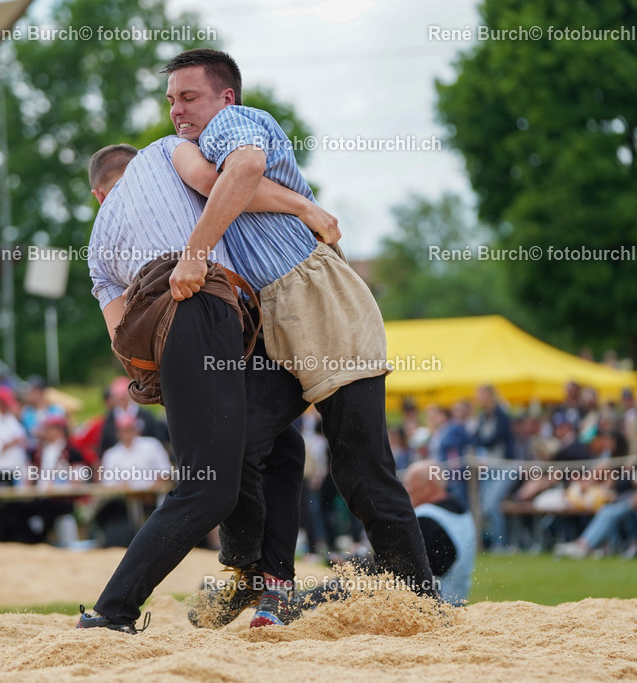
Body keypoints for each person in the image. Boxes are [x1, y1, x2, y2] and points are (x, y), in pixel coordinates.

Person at [160, 48, 437, 620]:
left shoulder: (237, 123)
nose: (178, 109)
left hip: (322, 302)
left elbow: (241, 173)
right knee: (236, 441)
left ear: (224, 97)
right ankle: (259, 579)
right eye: (171, 100)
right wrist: (305, 206)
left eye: (189, 97)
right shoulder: (199, 146)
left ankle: (421, 603)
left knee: (361, 472)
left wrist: (195, 253)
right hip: (275, 316)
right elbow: (225, 182)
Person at [78, 133, 320, 633]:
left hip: (176, 338)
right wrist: (304, 208)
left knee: (280, 446)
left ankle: (270, 585)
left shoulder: (98, 243)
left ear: (98, 194)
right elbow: (218, 183)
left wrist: (176, 378)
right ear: (135, 165)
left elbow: (124, 343)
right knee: (207, 489)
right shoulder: (165, 153)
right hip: (212, 306)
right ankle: (112, 612)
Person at [402, 461, 476, 606]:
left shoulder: (424, 519)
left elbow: (405, 569)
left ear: (428, 487)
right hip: (458, 599)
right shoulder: (463, 512)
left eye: (409, 484)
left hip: (433, 606)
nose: (406, 490)